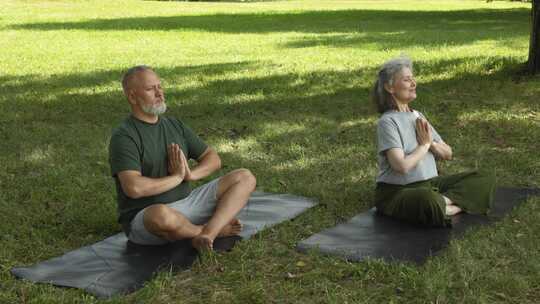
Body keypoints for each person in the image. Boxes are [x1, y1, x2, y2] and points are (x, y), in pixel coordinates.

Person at [109, 65, 256, 250]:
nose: (159, 93)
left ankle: (208, 234)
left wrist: (190, 175)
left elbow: (213, 159)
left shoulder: (174, 125)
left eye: (159, 87)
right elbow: (134, 188)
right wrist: (176, 178)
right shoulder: (125, 136)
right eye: (150, 89)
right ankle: (211, 231)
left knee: (244, 177)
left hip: (188, 204)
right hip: (147, 216)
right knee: (160, 215)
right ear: (132, 97)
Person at [372, 57, 496, 227]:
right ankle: (452, 205)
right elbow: (401, 166)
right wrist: (423, 146)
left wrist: (431, 144)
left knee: (484, 177)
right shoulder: (388, 122)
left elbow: (448, 153)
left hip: (430, 184)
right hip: (397, 191)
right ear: (389, 87)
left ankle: (443, 204)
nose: (413, 83)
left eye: (413, 78)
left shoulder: (418, 115)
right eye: (407, 80)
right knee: (427, 199)